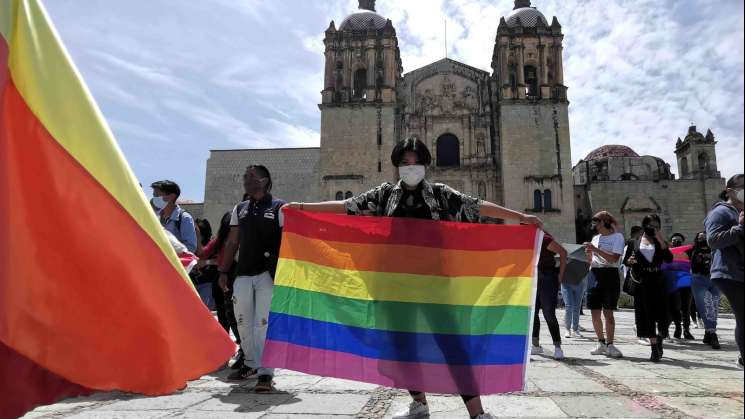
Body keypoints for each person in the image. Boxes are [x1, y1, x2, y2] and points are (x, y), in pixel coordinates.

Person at [284, 137, 543, 419]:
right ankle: (419, 404)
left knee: (451, 344)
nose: (411, 167)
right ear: (397, 165)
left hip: (435, 283)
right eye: (405, 162)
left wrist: (520, 217)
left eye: (416, 162)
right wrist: (301, 207)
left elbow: (477, 205)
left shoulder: (441, 194)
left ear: (425, 164)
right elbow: (348, 205)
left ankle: (478, 413)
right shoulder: (385, 195)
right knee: (401, 345)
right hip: (395, 285)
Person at [219, 165, 286, 391]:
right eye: (245, 176)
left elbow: (289, 240)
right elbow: (232, 242)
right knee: (242, 322)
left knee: (263, 324)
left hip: (267, 273)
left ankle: (266, 373)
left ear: (265, 180)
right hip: (243, 274)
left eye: (251, 176)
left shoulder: (279, 207)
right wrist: (224, 271)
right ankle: (250, 364)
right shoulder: (241, 208)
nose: (246, 179)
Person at [705, 174, 744, 369]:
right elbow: (713, 240)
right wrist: (740, 227)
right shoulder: (720, 212)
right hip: (729, 272)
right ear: (730, 191)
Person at [624, 215, 673, 362]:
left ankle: (660, 337)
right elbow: (626, 261)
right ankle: (653, 348)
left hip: (658, 279)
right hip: (643, 281)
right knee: (648, 315)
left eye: (656, 225)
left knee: (665, 317)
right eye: (650, 225)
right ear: (645, 225)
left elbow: (669, 259)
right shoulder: (634, 242)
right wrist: (630, 261)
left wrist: (660, 239)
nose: (653, 228)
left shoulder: (660, 242)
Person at [584, 211, 625, 359]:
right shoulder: (595, 238)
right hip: (594, 273)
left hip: (610, 274)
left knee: (608, 312)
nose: (594, 224)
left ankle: (610, 344)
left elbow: (614, 259)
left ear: (605, 222)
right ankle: (600, 342)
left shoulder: (617, 237)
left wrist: (595, 250)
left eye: (597, 221)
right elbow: (592, 260)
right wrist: (588, 253)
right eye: (594, 221)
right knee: (594, 311)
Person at [531, 235, 567, 359]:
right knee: (532, 313)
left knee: (548, 313)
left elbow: (563, 252)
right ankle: (535, 345)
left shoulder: (543, 238)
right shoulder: (524, 239)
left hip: (547, 276)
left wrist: (560, 276)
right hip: (532, 277)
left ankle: (557, 346)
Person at [687, 231, 721, 349]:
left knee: (715, 306)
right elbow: (674, 255)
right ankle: (712, 334)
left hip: (715, 279)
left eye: (704, 236)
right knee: (706, 305)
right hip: (699, 280)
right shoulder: (691, 250)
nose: (702, 238)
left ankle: (708, 333)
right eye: (700, 237)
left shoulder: (716, 249)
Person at [151, 180, 197, 253]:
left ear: (171, 197)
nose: (154, 199)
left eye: (157, 196)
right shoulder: (155, 217)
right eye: (154, 196)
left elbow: (191, 247)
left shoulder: (184, 218)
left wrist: (169, 251)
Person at [665, 233, 695, 341]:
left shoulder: (689, 252)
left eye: (678, 240)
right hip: (672, 284)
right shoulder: (667, 253)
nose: (676, 241)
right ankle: (677, 329)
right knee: (674, 308)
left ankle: (686, 330)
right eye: (674, 240)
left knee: (686, 307)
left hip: (686, 283)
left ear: (682, 242)